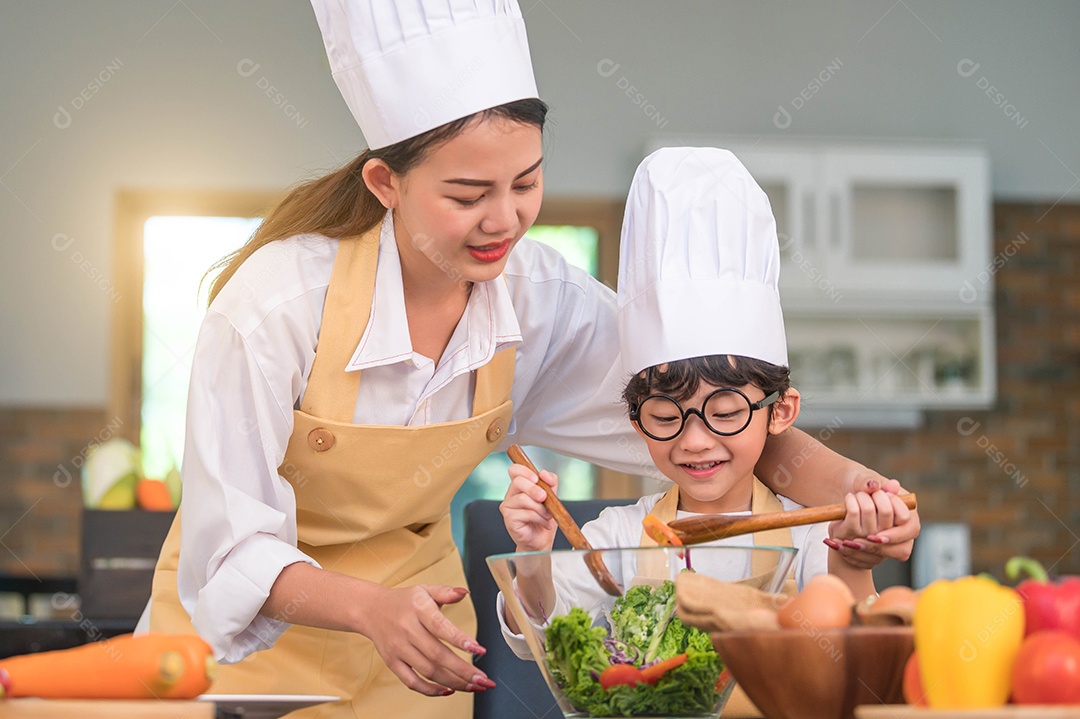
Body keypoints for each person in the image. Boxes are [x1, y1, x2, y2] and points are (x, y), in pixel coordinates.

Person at [138, 2, 918, 717]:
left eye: (527, 182)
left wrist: (862, 494)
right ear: (386, 182)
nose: (503, 220)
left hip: (417, 657)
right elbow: (231, 544)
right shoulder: (275, 305)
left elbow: (705, 406)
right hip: (230, 659)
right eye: (468, 193)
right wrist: (367, 607)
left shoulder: (541, 302)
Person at [498, 147, 915, 636]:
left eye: (726, 411)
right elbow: (542, 630)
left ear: (780, 411)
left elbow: (854, 640)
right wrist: (532, 557)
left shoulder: (810, 536)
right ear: (636, 421)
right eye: (665, 415)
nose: (694, 441)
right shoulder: (618, 536)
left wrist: (855, 559)